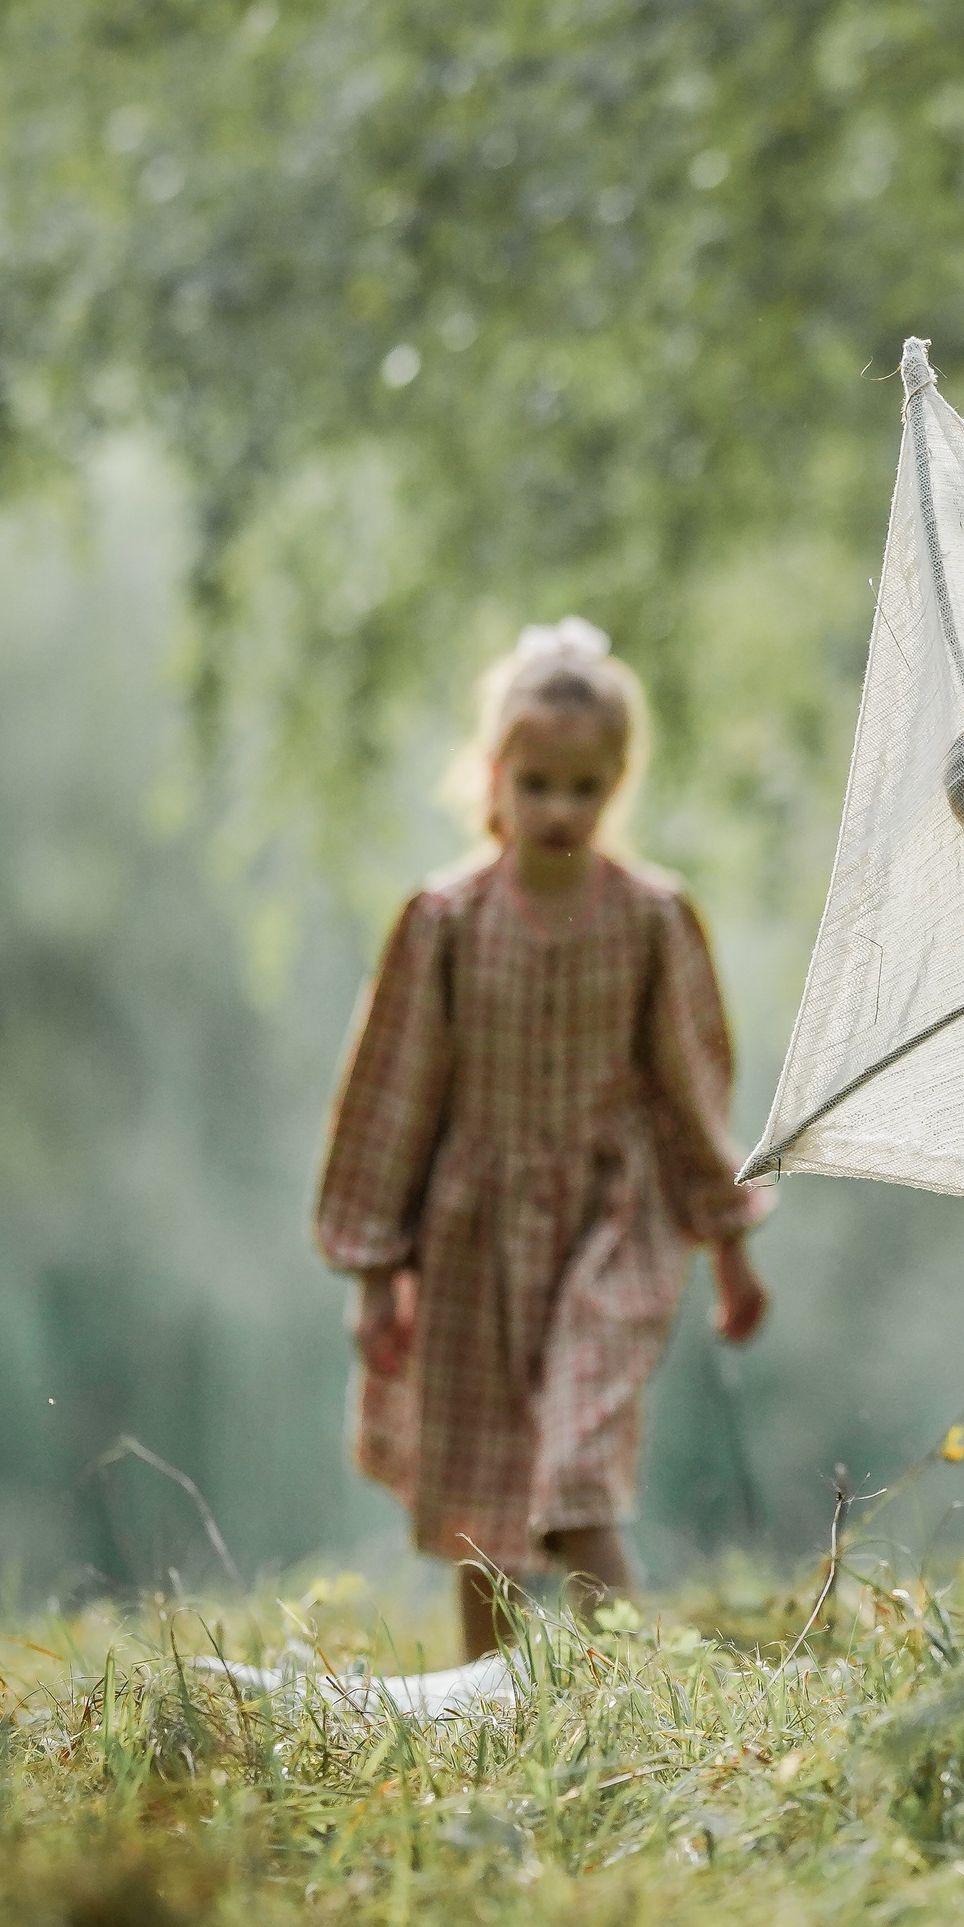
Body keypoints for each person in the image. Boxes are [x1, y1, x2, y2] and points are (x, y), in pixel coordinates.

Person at [314, 619, 771, 1661]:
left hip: (613, 1227)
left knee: (572, 1468)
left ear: (616, 783)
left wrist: (729, 1248)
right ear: (493, 777)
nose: (560, 810)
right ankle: (492, 1705)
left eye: (585, 787)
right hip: (472, 1235)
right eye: (538, 785)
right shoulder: (445, 923)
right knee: (482, 1492)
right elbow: (392, 1098)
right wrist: (374, 1274)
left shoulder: (652, 920)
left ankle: (637, 1692)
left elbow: (687, 1091)